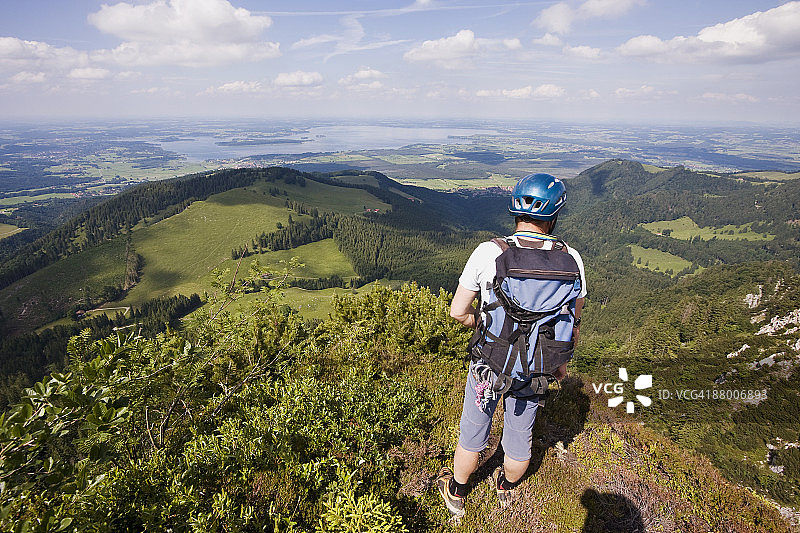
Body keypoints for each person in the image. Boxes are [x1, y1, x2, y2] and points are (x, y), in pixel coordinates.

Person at [436, 173, 587, 518]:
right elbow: (571, 323)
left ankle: (457, 493)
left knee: (473, 431)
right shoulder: (572, 261)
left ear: (514, 210)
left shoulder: (490, 252)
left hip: (490, 362)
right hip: (535, 367)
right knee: (520, 438)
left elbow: (458, 311)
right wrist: (560, 364)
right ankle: (504, 487)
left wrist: (480, 323)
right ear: (555, 214)